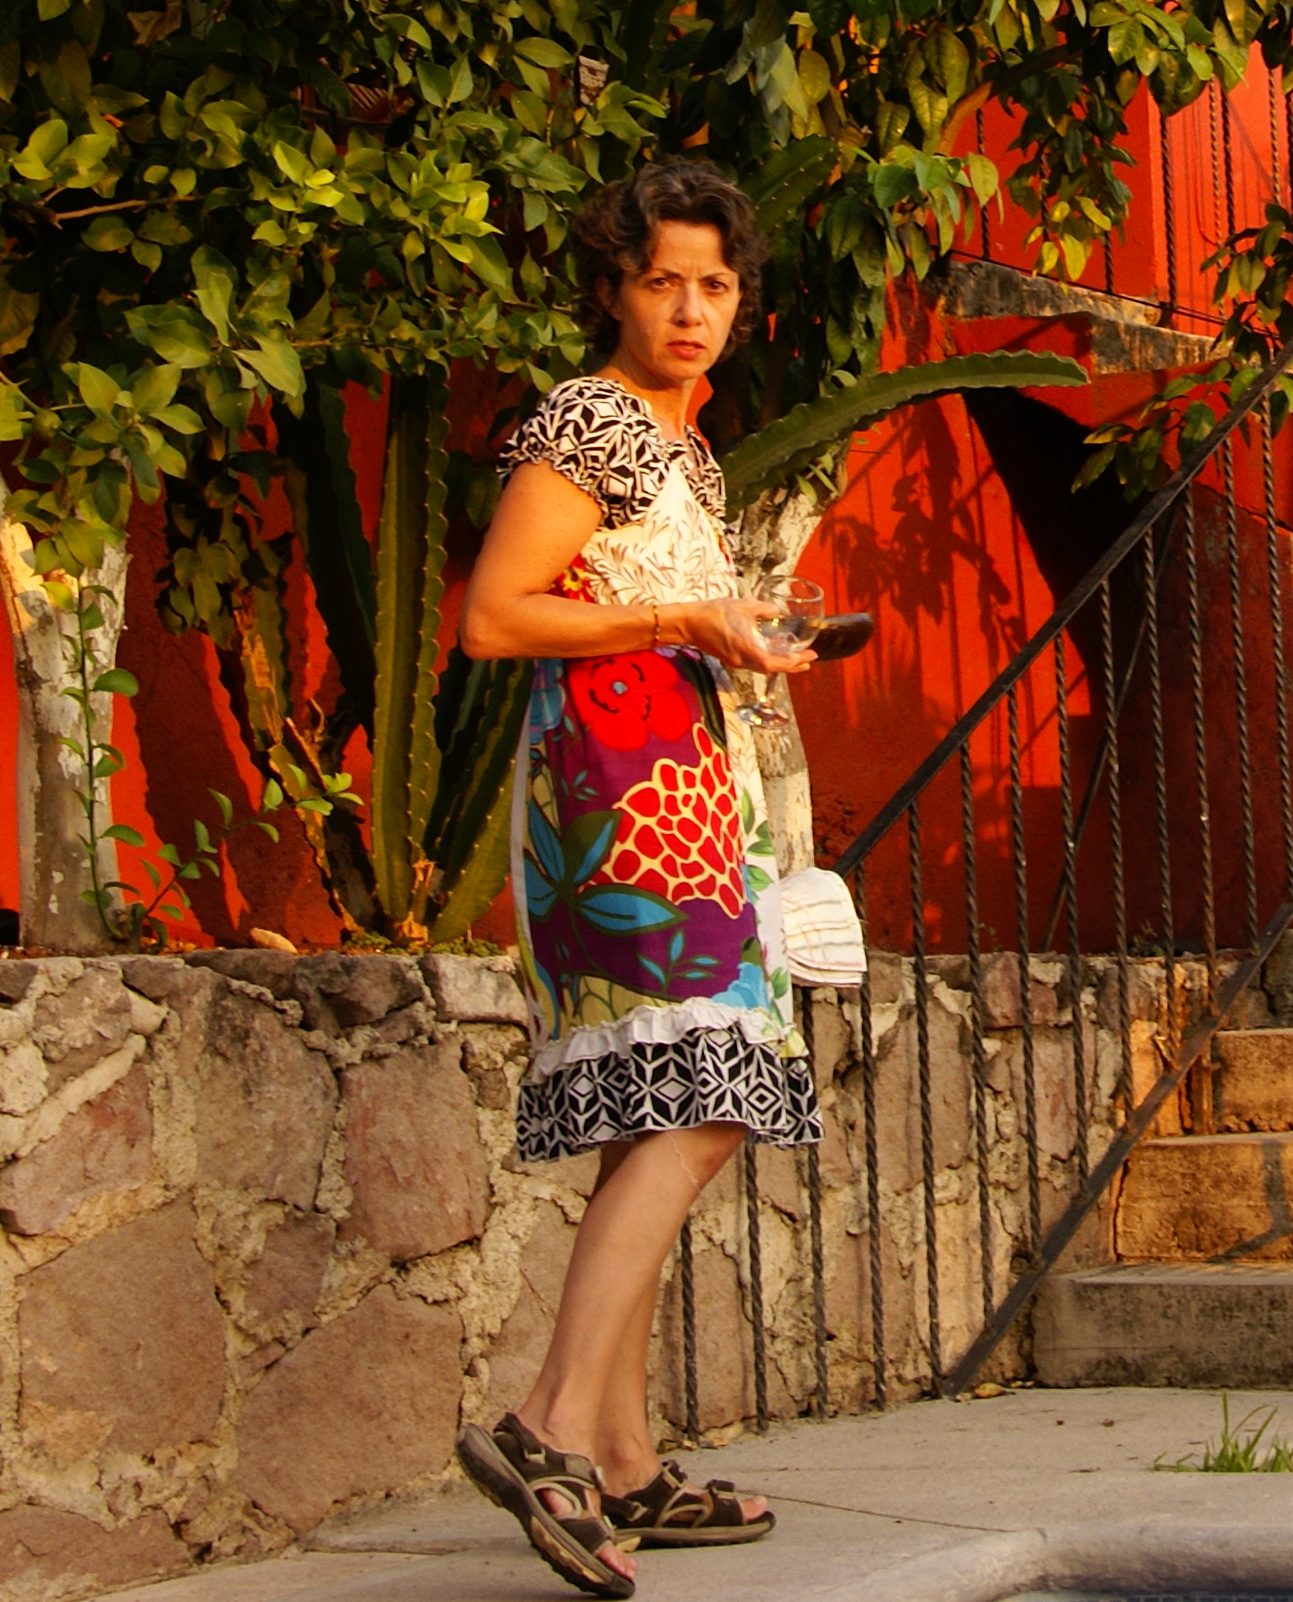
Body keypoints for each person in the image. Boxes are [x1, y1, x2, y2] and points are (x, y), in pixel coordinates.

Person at [451, 157, 820, 1595]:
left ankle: (618, 1457)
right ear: (614, 286)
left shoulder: (686, 448)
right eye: (663, 279)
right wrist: (682, 619)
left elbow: (649, 603)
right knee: (711, 1098)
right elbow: (494, 616)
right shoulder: (590, 420)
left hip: (685, 788)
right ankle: (546, 1426)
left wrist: (738, 631)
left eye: (714, 284)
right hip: (618, 801)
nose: (689, 309)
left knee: (661, 1110)